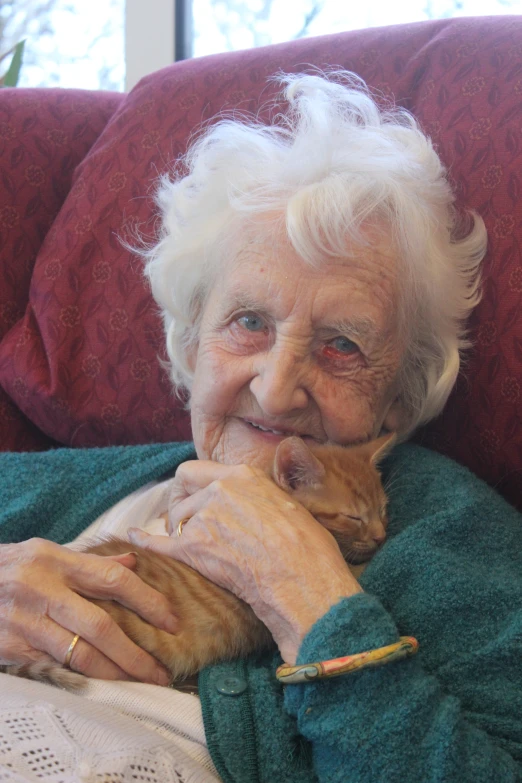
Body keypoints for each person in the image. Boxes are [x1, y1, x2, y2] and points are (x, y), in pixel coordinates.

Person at [1, 71, 521, 783]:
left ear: (399, 397)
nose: (276, 389)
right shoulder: (58, 483)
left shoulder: (445, 534)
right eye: (249, 322)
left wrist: (307, 598)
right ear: (191, 343)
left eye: (341, 344)